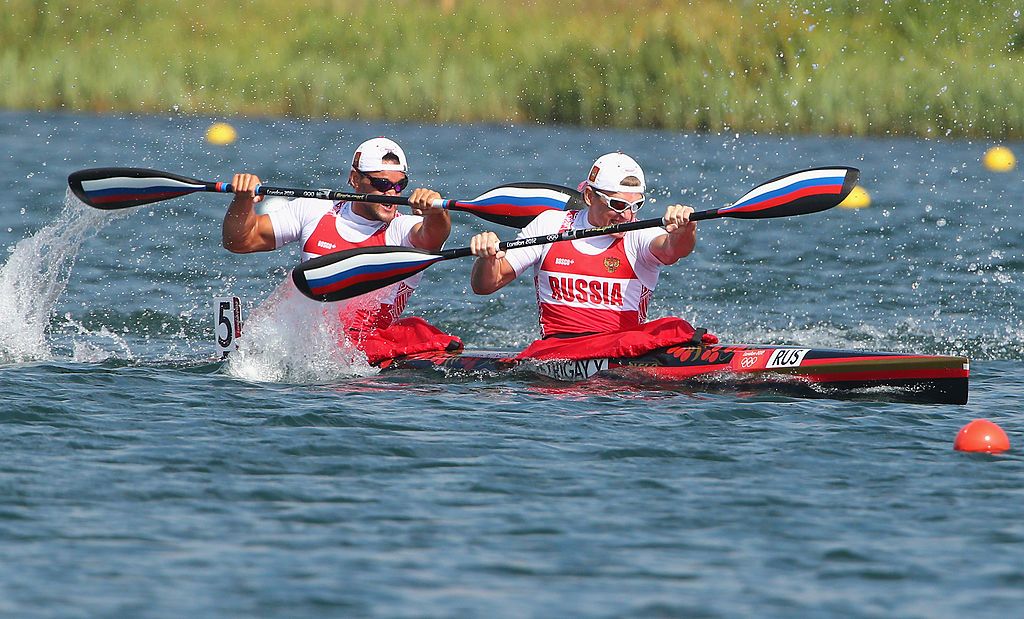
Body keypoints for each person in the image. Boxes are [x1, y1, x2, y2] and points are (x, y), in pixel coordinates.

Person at [223, 137, 461, 362]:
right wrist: (243, 200)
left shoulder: (402, 229)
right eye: (381, 184)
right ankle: (251, 341)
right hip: (301, 341)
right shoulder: (314, 211)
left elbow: (432, 237)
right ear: (355, 180)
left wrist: (437, 212)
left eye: (400, 186)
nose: (392, 193)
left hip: (368, 350)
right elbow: (240, 242)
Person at [468, 152, 716, 359]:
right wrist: (487, 258)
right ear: (589, 196)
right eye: (617, 205)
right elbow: (486, 285)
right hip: (557, 352)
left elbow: (674, 249)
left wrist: (686, 229)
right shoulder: (550, 225)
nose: (627, 216)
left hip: (624, 353)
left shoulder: (640, 233)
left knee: (672, 327)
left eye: (635, 206)